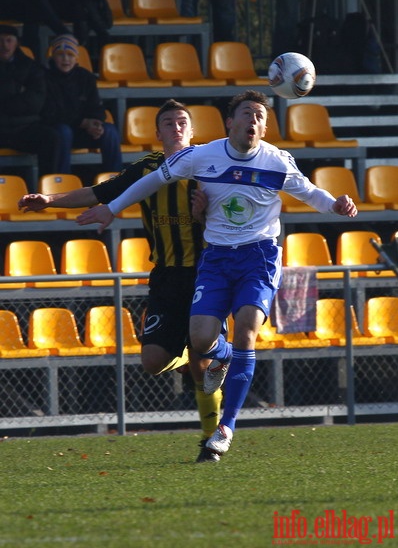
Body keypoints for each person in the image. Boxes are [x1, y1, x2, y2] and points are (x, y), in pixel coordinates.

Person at [69, 89, 358, 457]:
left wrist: (337, 204)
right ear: (229, 122)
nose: (252, 121)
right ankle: (221, 356)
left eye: (259, 116)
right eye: (246, 114)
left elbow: (314, 195)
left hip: (259, 257)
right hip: (217, 259)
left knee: (247, 330)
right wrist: (112, 207)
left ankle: (226, 428)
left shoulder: (276, 162)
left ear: (265, 127)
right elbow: (154, 179)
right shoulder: (202, 156)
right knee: (201, 341)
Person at [18, 99, 223, 463]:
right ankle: (193, 355)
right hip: (164, 276)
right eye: (168, 123)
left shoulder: (209, 167)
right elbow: (99, 194)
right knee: (152, 362)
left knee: (200, 362)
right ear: (157, 133)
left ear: (191, 131)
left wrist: (206, 214)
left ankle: (211, 438)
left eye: (181, 122)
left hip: (205, 273)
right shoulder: (146, 169)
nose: (176, 128)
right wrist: (49, 199)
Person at [42, 34, 122, 174]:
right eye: (60, 54)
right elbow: (50, 113)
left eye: (70, 54)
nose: (66, 59)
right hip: (58, 132)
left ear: (76, 57)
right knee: (63, 131)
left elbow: (96, 107)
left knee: (109, 131)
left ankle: (116, 180)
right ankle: (62, 180)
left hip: (83, 131)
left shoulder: (86, 77)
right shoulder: (44, 77)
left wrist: (96, 123)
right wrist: (83, 122)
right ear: (53, 57)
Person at [0, 24, 60, 178]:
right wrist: (18, 94)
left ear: (17, 42)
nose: (4, 45)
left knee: (51, 138)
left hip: (24, 128)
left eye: (9, 40)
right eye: (0, 41)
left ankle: (46, 193)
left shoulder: (31, 67)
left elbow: (35, 102)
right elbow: (26, 100)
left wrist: (5, 101)